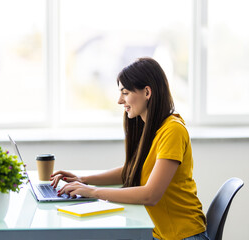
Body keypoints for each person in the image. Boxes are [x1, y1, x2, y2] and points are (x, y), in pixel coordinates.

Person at [50, 57, 209, 240]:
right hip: (161, 233)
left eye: (125, 92)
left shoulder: (173, 130)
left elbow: (150, 195)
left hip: (183, 235)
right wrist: (84, 180)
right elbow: (133, 170)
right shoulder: (150, 127)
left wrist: (93, 192)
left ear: (147, 92)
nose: (119, 100)